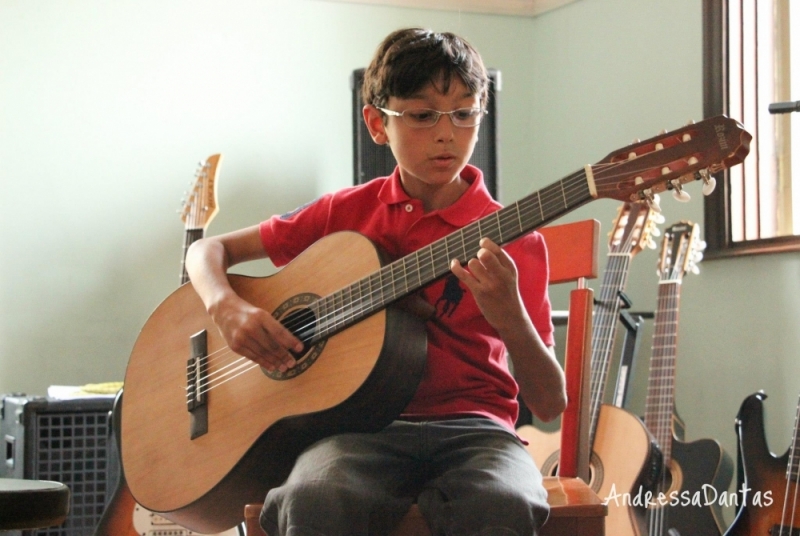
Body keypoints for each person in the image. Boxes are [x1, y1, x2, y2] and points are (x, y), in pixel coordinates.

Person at [185, 27, 567, 536]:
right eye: (423, 114)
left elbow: (549, 406)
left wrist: (510, 317)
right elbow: (206, 250)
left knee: (502, 501)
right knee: (313, 497)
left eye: (464, 112)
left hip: (477, 432)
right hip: (353, 430)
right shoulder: (344, 213)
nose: (447, 133)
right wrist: (227, 307)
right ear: (377, 123)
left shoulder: (515, 239)